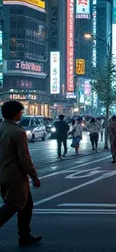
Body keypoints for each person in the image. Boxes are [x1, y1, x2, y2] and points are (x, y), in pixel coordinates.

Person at [0, 100, 42, 247]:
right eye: (21, 112)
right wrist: (34, 175)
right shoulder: (18, 132)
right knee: (14, 205)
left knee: (27, 205)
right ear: (16, 113)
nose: (21, 114)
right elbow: (24, 158)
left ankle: (24, 235)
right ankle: (24, 235)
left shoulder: (2, 128)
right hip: (15, 176)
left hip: (2, 174)